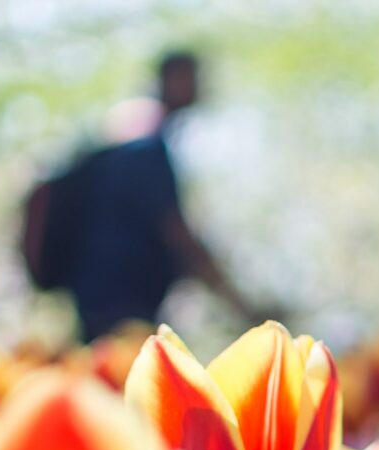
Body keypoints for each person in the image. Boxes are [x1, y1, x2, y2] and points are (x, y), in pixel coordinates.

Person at [58, 51, 265, 339]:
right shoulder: (146, 148)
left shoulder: (130, 137)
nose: (200, 87)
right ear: (171, 79)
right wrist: (242, 307)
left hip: (98, 292)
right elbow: (176, 232)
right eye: (193, 77)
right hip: (123, 299)